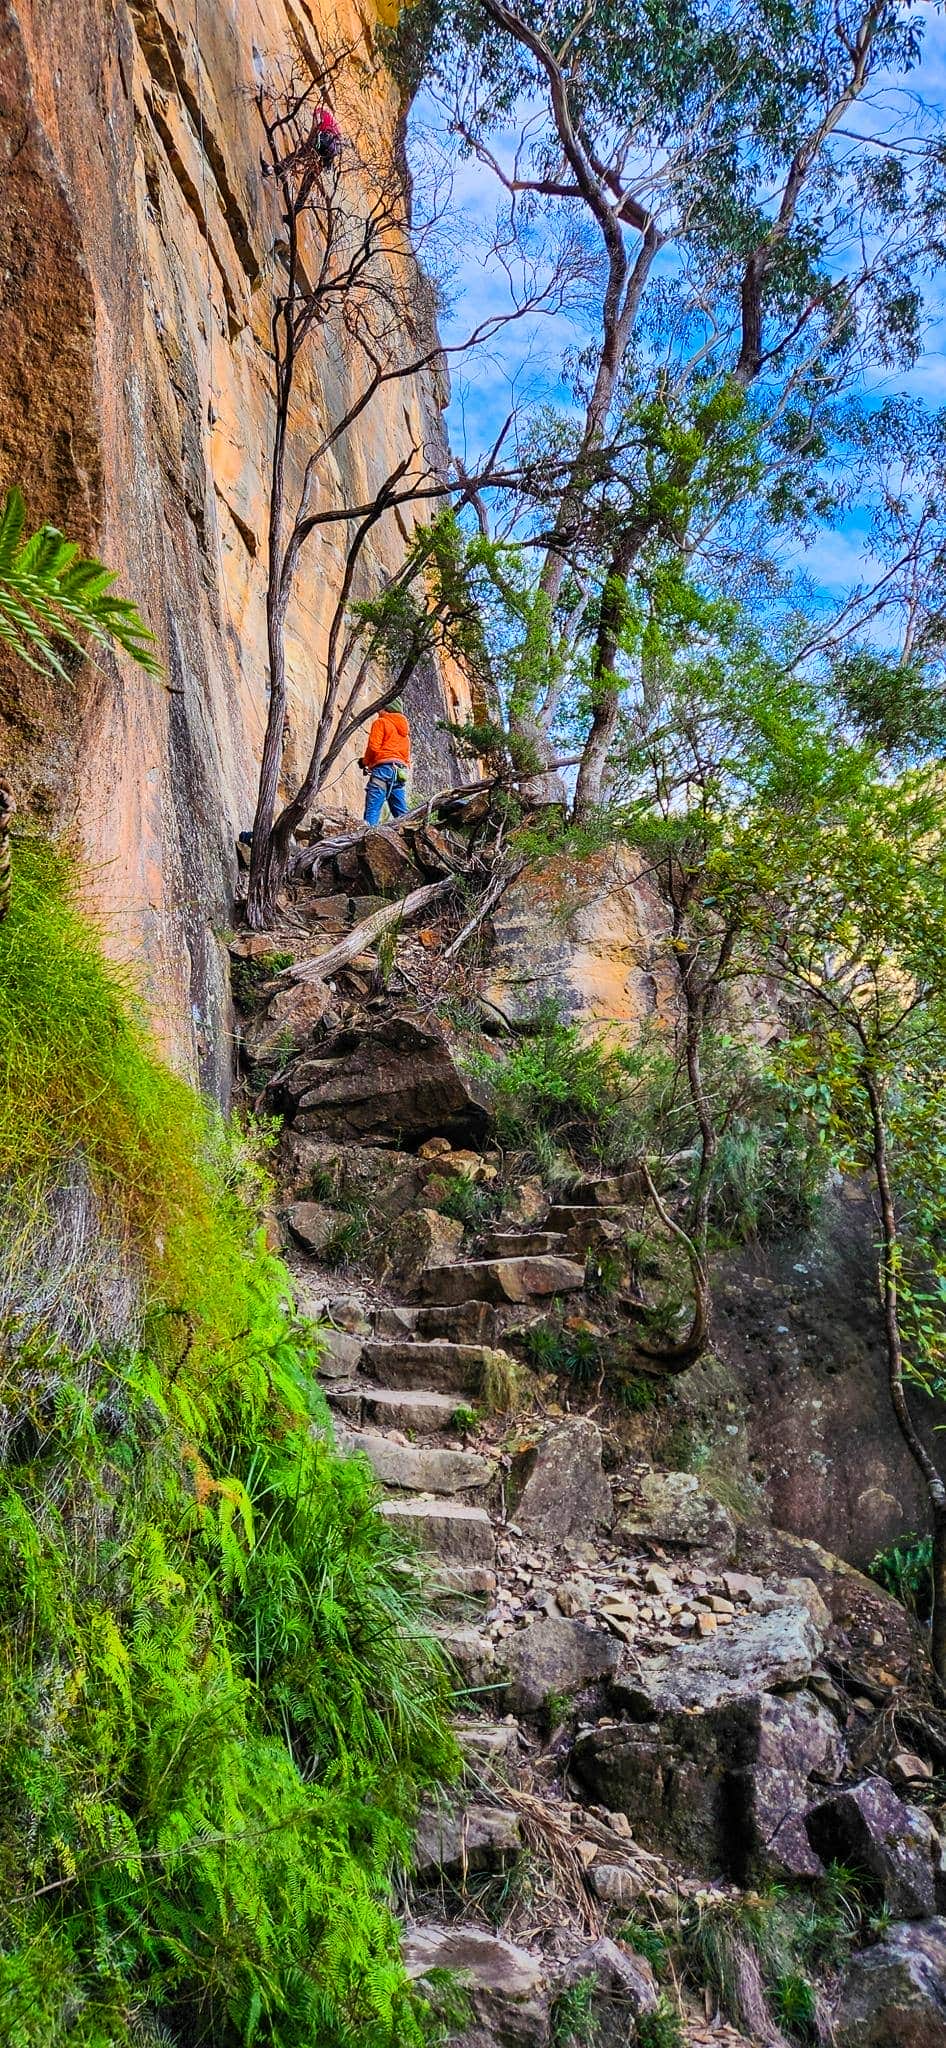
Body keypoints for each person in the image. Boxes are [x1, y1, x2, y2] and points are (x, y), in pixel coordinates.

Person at [359, 696, 411, 824]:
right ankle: (412, 837)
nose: (378, 710)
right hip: (399, 772)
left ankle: (367, 838)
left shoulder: (381, 723)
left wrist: (365, 762)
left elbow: (373, 747)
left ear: (386, 707)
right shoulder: (404, 733)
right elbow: (405, 756)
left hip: (383, 771)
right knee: (402, 814)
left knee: (373, 810)